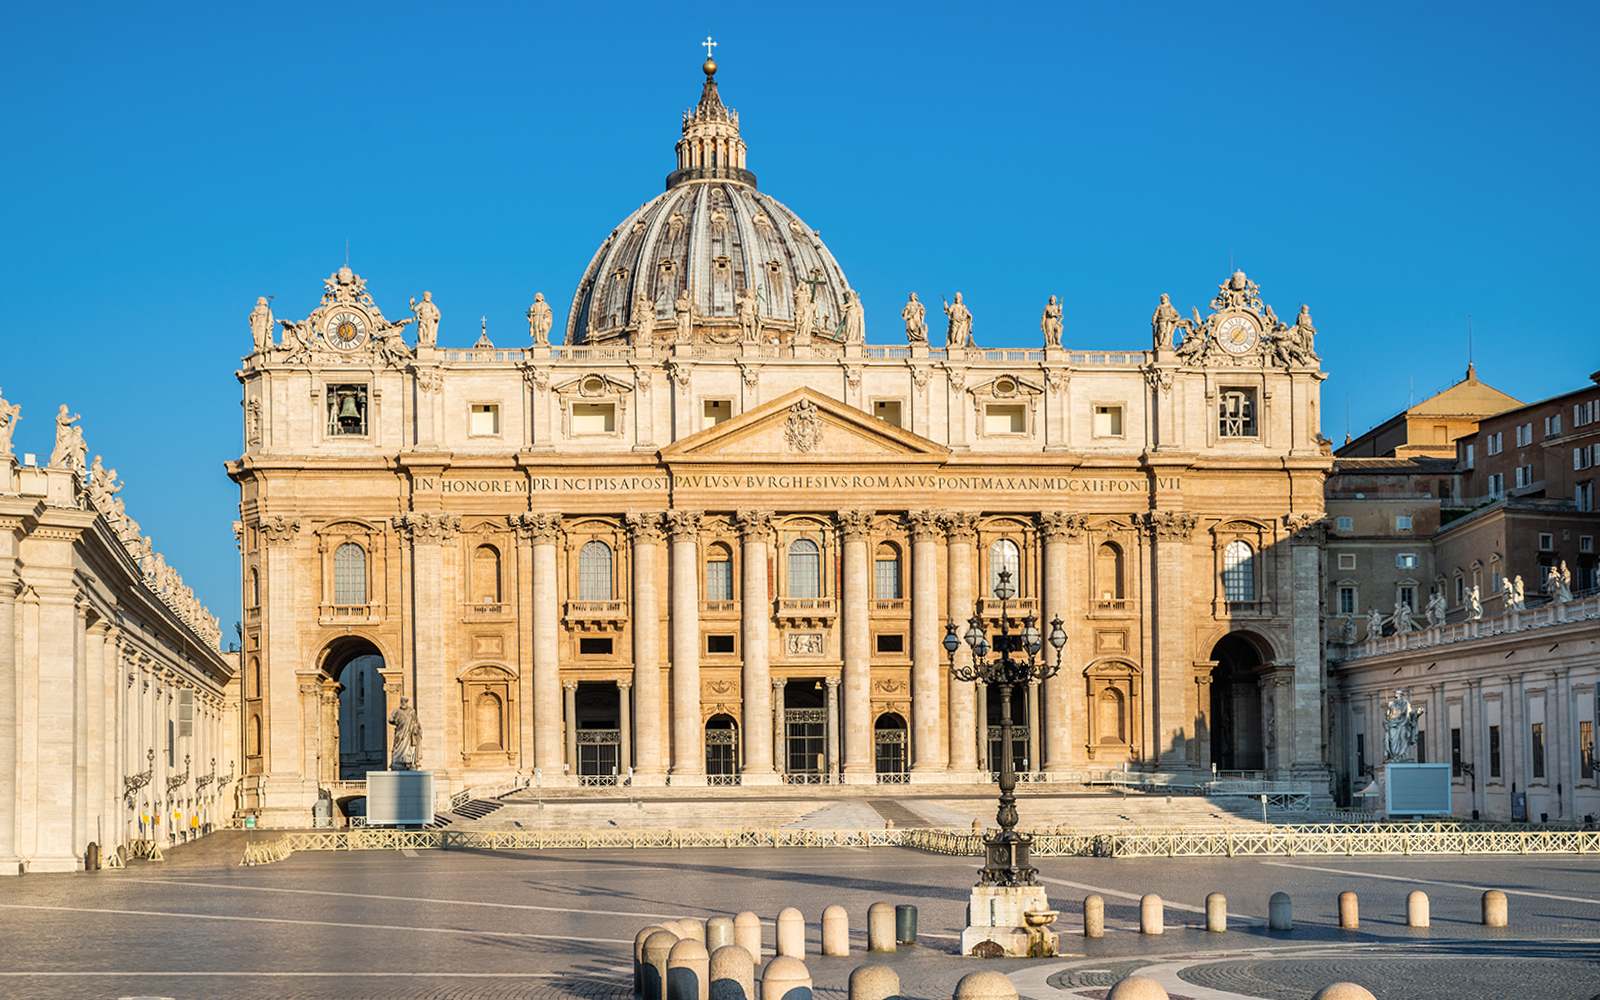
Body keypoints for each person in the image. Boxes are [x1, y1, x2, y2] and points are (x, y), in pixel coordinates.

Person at [1383, 690, 1424, 763]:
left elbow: (1411, 713)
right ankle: (1395, 756)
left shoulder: (1406, 703)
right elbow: (1387, 716)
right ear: (1396, 696)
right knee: (1393, 741)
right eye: (1398, 695)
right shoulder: (1391, 704)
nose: (1400, 697)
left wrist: (1417, 712)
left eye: (1401, 695)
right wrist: (1387, 722)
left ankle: (1403, 754)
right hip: (1393, 724)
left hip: (1403, 723)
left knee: (1404, 736)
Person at [389, 696, 422, 770]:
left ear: (407, 702)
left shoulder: (411, 711)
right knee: (397, 746)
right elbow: (390, 719)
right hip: (400, 732)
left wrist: (416, 728)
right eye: (402, 702)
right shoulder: (396, 710)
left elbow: (415, 721)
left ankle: (407, 761)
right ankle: (397, 761)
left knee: (408, 746)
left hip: (408, 733)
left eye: (405, 702)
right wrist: (394, 721)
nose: (403, 703)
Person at [0, 389, 21, 458]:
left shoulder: (3, 402)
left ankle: (3, 450)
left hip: (3, 422)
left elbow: (9, 410)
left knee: (3, 436)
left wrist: (15, 407)